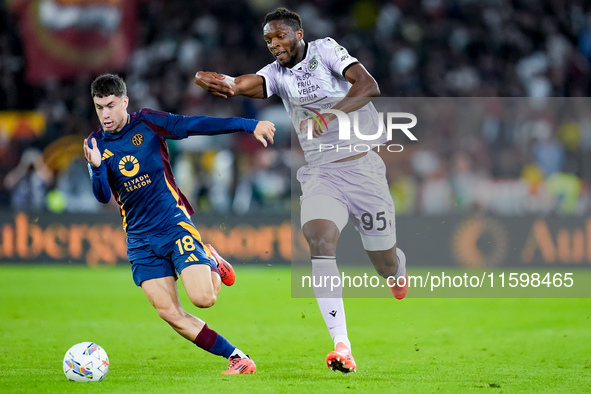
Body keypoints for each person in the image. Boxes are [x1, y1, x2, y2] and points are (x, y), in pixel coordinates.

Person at [194, 7, 408, 374]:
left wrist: (328, 116)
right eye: (267, 40)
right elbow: (249, 83)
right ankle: (342, 345)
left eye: (279, 37)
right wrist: (228, 83)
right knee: (319, 240)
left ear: (299, 34)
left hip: (364, 168)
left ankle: (396, 269)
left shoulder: (325, 50)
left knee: (384, 263)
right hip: (322, 173)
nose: (274, 44)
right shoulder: (276, 75)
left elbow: (368, 86)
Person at [83, 73, 275, 375]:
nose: (105, 114)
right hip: (139, 239)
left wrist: (249, 125)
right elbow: (102, 195)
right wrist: (96, 170)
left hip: (172, 225)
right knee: (168, 312)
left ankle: (210, 258)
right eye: (98, 107)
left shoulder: (147, 123)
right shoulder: (95, 142)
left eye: (109, 105)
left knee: (204, 299)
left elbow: (195, 124)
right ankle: (238, 357)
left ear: (124, 102)